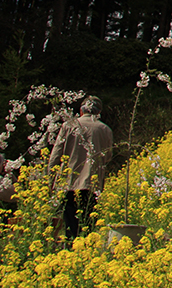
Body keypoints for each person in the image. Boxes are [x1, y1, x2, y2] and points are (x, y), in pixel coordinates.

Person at [49, 96, 113, 238]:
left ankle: (72, 251)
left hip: (69, 182)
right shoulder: (105, 129)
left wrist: (51, 182)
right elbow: (108, 157)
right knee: (89, 226)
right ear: (99, 112)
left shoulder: (68, 126)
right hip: (92, 184)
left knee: (70, 226)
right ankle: (86, 253)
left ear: (81, 110)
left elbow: (55, 156)